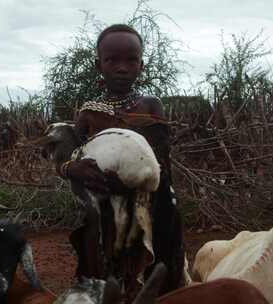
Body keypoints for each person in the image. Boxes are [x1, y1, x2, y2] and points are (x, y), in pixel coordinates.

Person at [57, 24, 187, 299]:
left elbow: (161, 161)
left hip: (149, 204)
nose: (121, 67)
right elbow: (72, 158)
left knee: (158, 272)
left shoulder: (151, 105)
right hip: (105, 210)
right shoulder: (89, 112)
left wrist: (144, 185)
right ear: (98, 65)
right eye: (112, 60)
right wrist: (73, 169)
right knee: (105, 272)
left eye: (131, 60)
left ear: (142, 64)